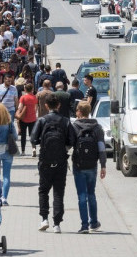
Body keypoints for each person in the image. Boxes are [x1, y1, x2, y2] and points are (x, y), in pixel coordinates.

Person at [30, 93, 76, 233]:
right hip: (61, 162)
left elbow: (33, 138)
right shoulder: (65, 121)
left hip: (45, 161)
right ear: (59, 105)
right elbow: (72, 140)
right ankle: (57, 223)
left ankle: (44, 219)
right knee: (58, 192)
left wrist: (41, 143)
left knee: (43, 191)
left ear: (45, 106)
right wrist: (64, 148)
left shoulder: (42, 120)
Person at [71, 101, 106, 234]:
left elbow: (70, 144)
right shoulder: (97, 127)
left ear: (79, 112)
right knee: (91, 194)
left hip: (78, 165)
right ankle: (94, 223)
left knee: (81, 195)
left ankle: (84, 226)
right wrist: (103, 165)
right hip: (92, 165)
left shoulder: (75, 127)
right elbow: (101, 148)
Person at [16, 83, 38, 157]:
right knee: (32, 135)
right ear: (32, 89)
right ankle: (33, 149)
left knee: (23, 135)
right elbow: (35, 108)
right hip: (32, 118)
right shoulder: (34, 97)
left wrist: (18, 113)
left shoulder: (23, 97)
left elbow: (20, 107)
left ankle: (23, 151)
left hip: (24, 119)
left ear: (25, 89)